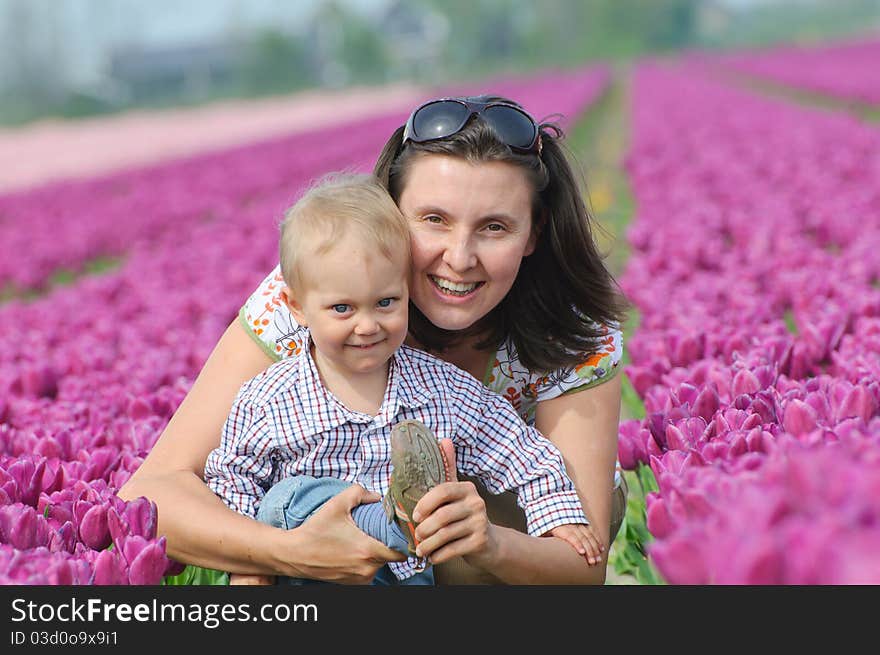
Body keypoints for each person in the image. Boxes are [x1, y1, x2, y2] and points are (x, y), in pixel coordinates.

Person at [119, 94, 630, 585]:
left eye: (494, 227)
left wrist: (490, 544)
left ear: (533, 233)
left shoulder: (575, 334)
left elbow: (581, 566)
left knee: (451, 523)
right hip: (323, 530)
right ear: (389, 213)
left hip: (495, 544)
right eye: (434, 220)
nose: (459, 256)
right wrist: (287, 554)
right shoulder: (318, 297)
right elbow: (151, 493)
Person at [204, 174, 604, 585]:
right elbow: (232, 480)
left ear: (406, 291)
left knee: (421, 527)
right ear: (297, 307)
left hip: (402, 576)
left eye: (385, 302)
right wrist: (249, 567)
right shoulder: (268, 398)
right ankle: (391, 520)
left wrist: (558, 518)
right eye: (342, 308)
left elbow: (520, 450)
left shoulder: (440, 388)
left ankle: (399, 525)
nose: (367, 325)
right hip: (304, 568)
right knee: (287, 499)